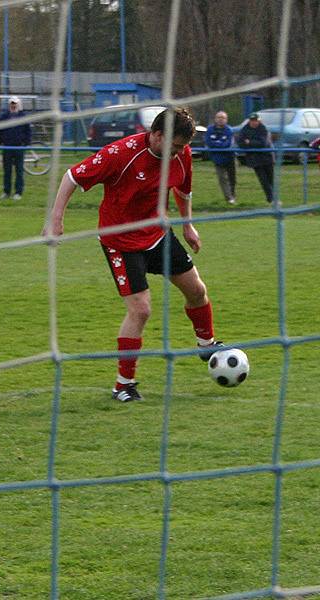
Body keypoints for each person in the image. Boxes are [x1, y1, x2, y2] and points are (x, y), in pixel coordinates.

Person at [42, 107, 223, 402]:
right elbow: (72, 177)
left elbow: (183, 189)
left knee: (197, 291)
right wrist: (56, 218)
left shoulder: (181, 154)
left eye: (183, 147)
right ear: (157, 135)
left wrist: (188, 226)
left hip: (158, 233)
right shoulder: (120, 154)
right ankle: (123, 385)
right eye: (175, 146)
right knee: (141, 310)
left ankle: (207, 344)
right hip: (121, 242)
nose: (179, 152)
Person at [0, 96, 32, 200]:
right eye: (11, 103)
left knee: (19, 171)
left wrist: (26, 143)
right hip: (7, 147)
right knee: (7, 171)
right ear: (9, 105)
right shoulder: (4, 117)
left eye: (15, 103)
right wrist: (0, 141)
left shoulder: (23, 117)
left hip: (19, 147)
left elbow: (28, 131)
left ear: (18, 105)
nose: (13, 105)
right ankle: (6, 192)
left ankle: (18, 192)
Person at [236, 113, 274, 203]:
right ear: (249, 121)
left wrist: (249, 142)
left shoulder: (262, 128)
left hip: (266, 157)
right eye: (252, 120)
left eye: (256, 120)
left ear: (259, 121)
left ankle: (274, 197)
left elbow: (263, 143)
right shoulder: (244, 130)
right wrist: (251, 144)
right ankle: (270, 198)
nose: (254, 122)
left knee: (271, 179)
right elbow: (241, 143)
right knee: (263, 180)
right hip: (254, 159)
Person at [204, 111, 236, 204]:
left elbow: (228, 144)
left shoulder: (229, 130)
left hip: (229, 157)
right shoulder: (210, 129)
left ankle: (232, 196)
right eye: (219, 117)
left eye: (223, 118)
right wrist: (219, 144)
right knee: (222, 179)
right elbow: (209, 142)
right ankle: (229, 198)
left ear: (226, 120)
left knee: (232, 179)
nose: (221, 119)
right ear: (215, 119)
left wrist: (217, 144)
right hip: (217, 158)